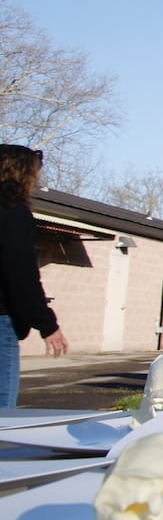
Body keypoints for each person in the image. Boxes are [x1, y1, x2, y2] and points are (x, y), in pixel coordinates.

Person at [0, 144, 68, 407]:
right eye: (35, 172)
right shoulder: (13, 213)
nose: (37, 179)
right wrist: (47, 325)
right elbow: (21, 276)